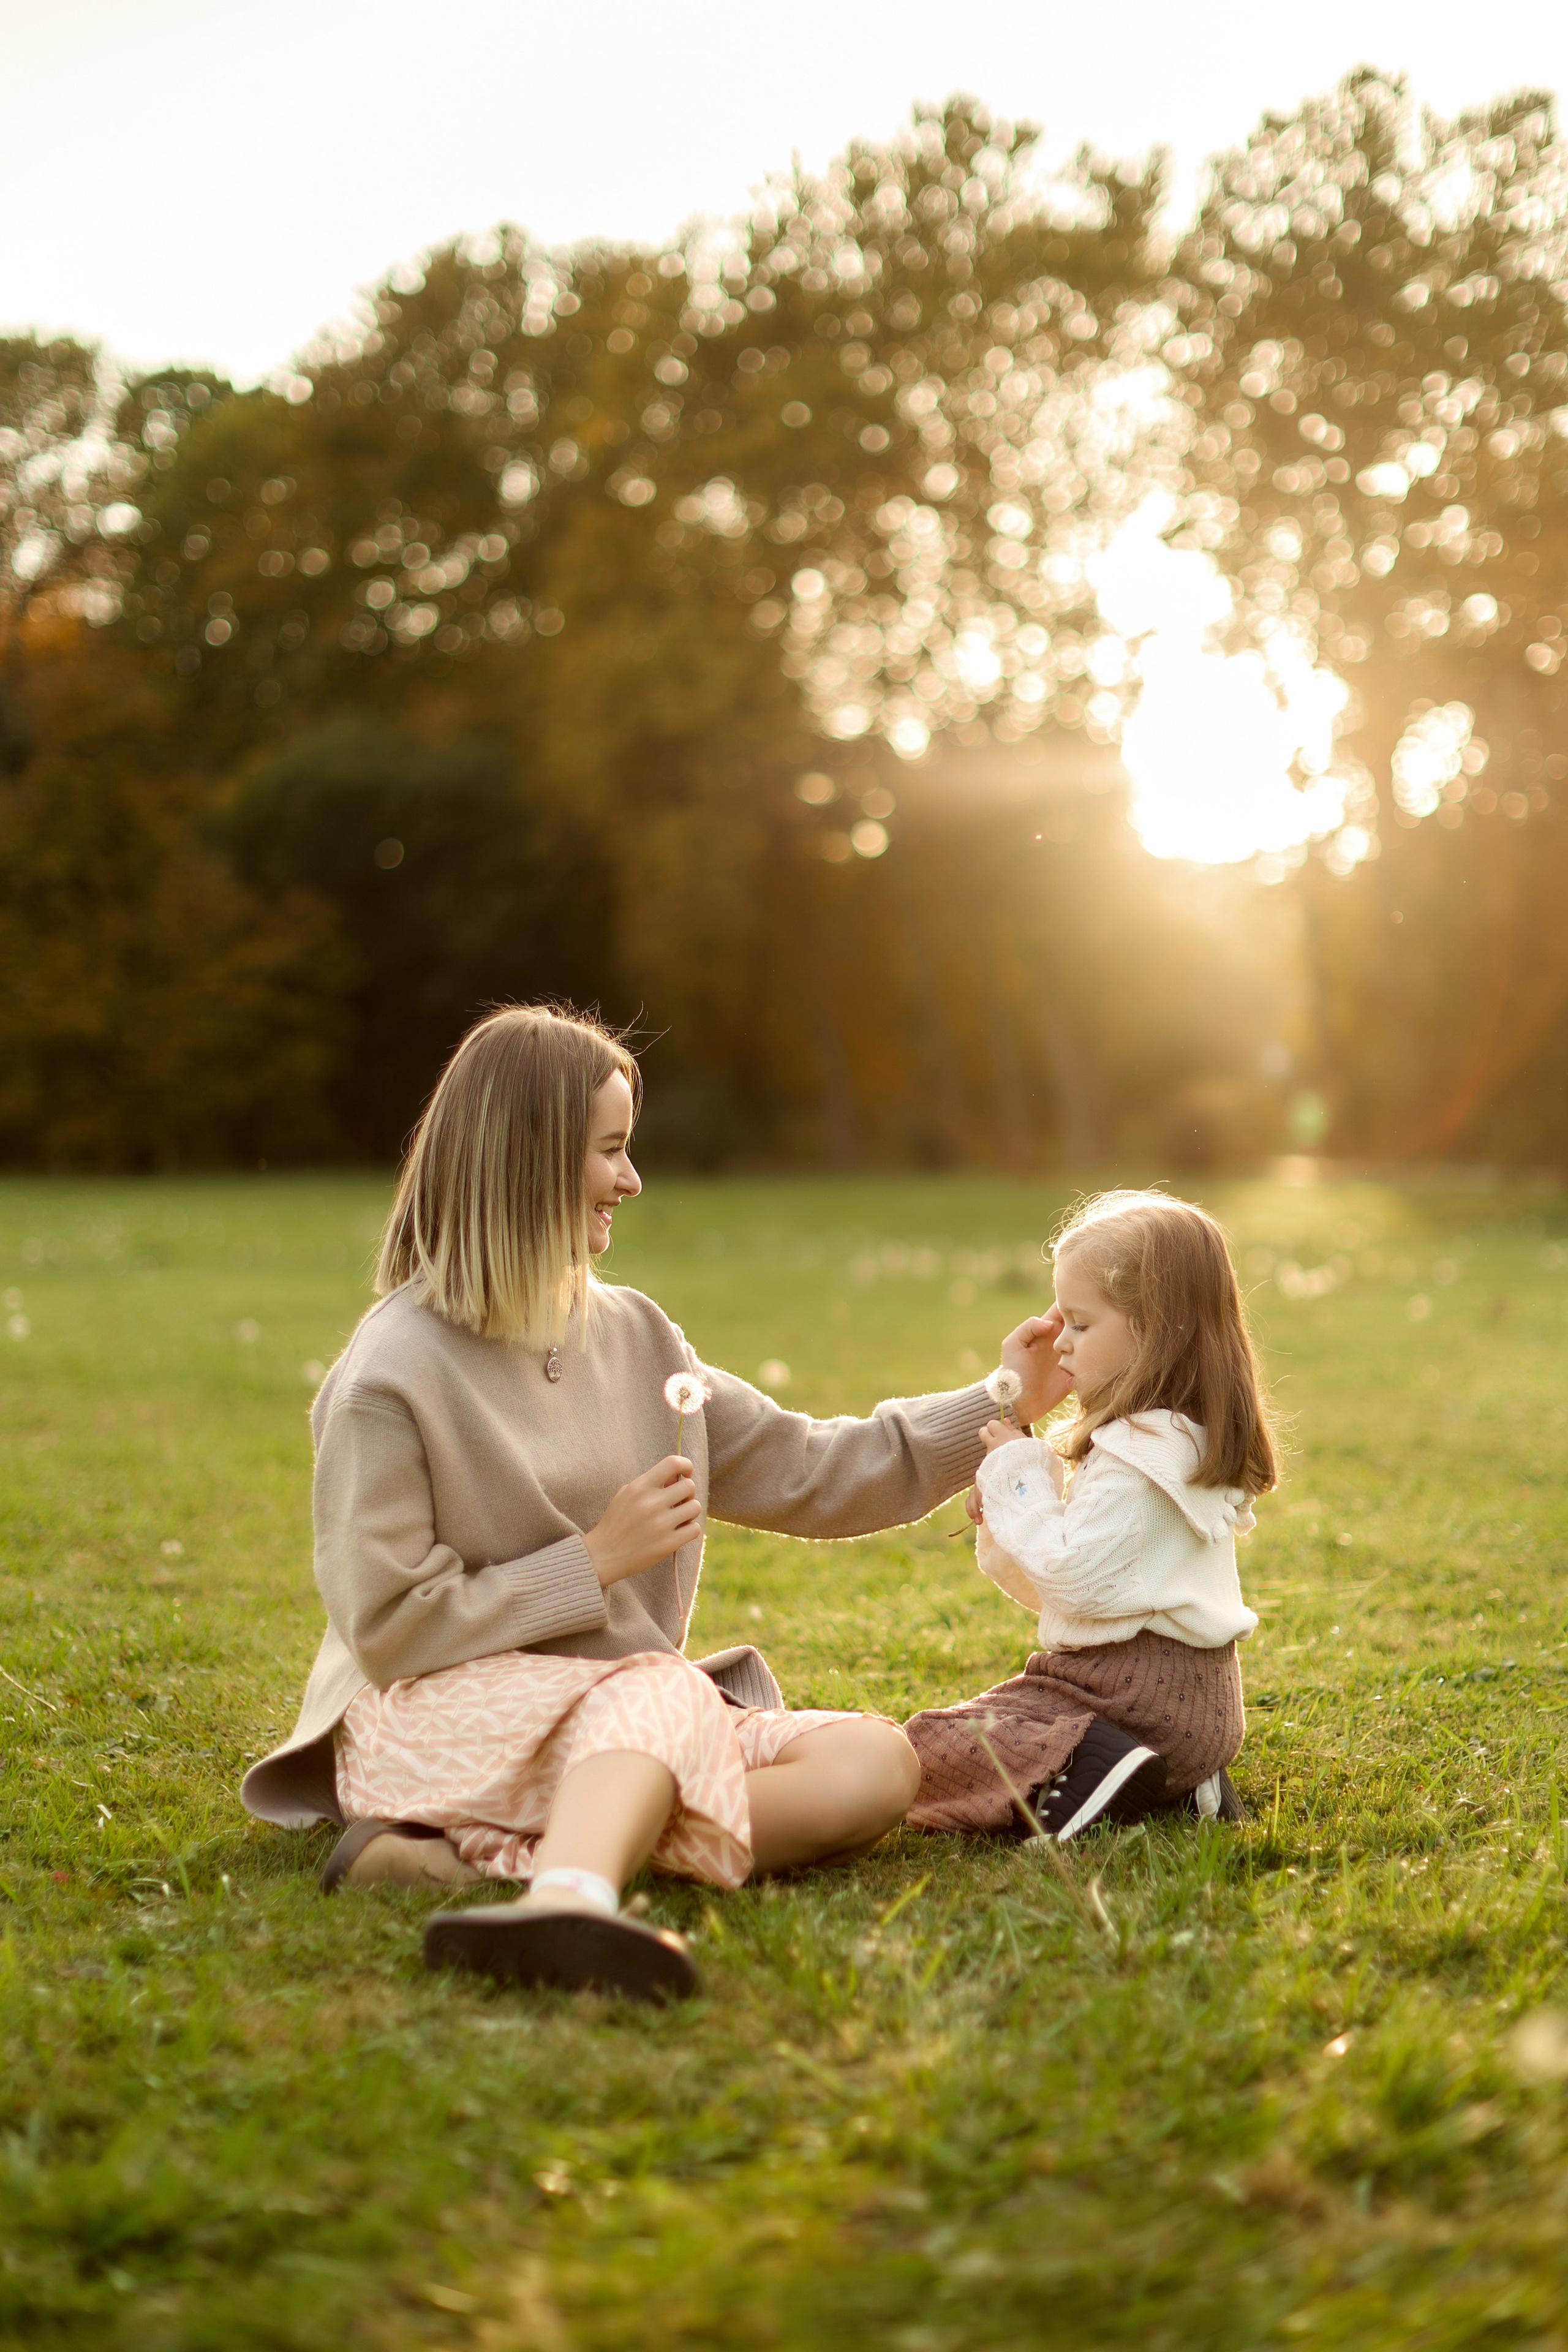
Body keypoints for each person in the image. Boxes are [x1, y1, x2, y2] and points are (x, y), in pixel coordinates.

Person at [241, 1004, 1061, 2003]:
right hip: (431, 1721)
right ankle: (571, 1905)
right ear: (532, 1159)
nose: (631, 1179)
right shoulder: (390, 1375)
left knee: (873, 1764)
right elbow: (389, 1629)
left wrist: (1007, 1397)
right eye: (612, 1150)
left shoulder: (637, 1339)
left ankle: (449, 1865)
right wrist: (592, 1562)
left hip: (624, 1724)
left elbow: (810, 1466)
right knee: (658, 1686)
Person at [903, 1189, 1276, 1845]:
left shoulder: (1138, 1458)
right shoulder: (1177, 1444)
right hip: (1199, 1711)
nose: (1061, 1344)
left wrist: (1021, 1476)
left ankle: (1094, 1769)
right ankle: (1176, 1783)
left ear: (1154, 1327)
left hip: (1131, 1704)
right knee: (983, 1721)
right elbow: (1090, 1587)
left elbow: (1071, 1577)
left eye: (1079, 1323)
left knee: (926, 1744)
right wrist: (1010, 1505)